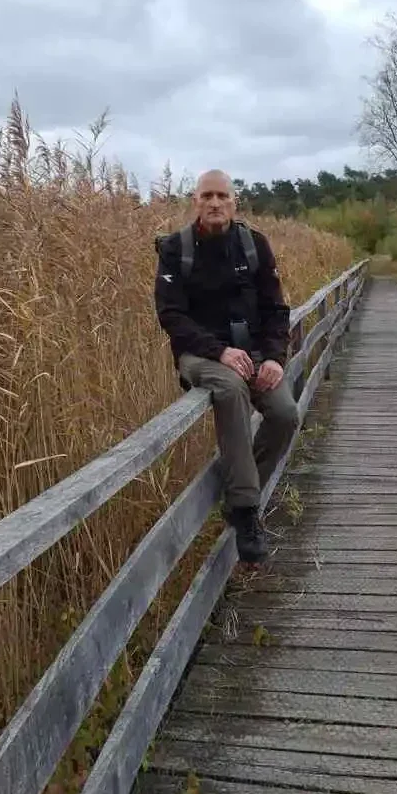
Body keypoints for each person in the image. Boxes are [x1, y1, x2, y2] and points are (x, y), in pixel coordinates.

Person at [154, 169, 300, 562]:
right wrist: (219, 352)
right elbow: (171, 315)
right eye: (207, 196)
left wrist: (273, 356)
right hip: (200, 355)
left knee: (286, 413)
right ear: (195, 201)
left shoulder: (254, 245)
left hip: (252, 353)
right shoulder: (175, 249)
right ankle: (248, 511)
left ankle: (239, 492)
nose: (214, 203)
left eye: (222, 196)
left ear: (234, 202)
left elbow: (276, 309)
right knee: (231, 387)